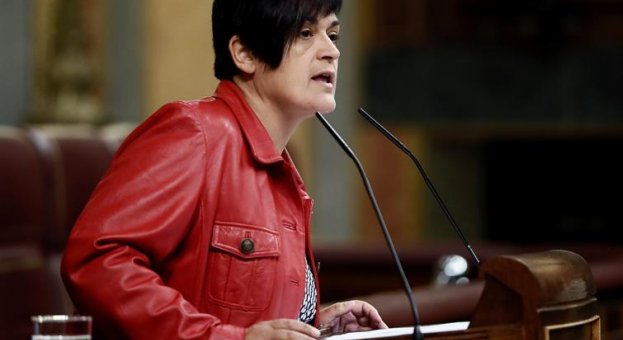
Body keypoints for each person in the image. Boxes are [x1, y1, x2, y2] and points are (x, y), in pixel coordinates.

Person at [60, 0, 387, 339]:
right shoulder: (194, 133)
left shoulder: (282, 168)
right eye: (306, 33)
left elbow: (236, 309)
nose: (331, 50)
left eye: (333, 34)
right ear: (244, 53)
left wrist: (310, 323)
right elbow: (97, 262)